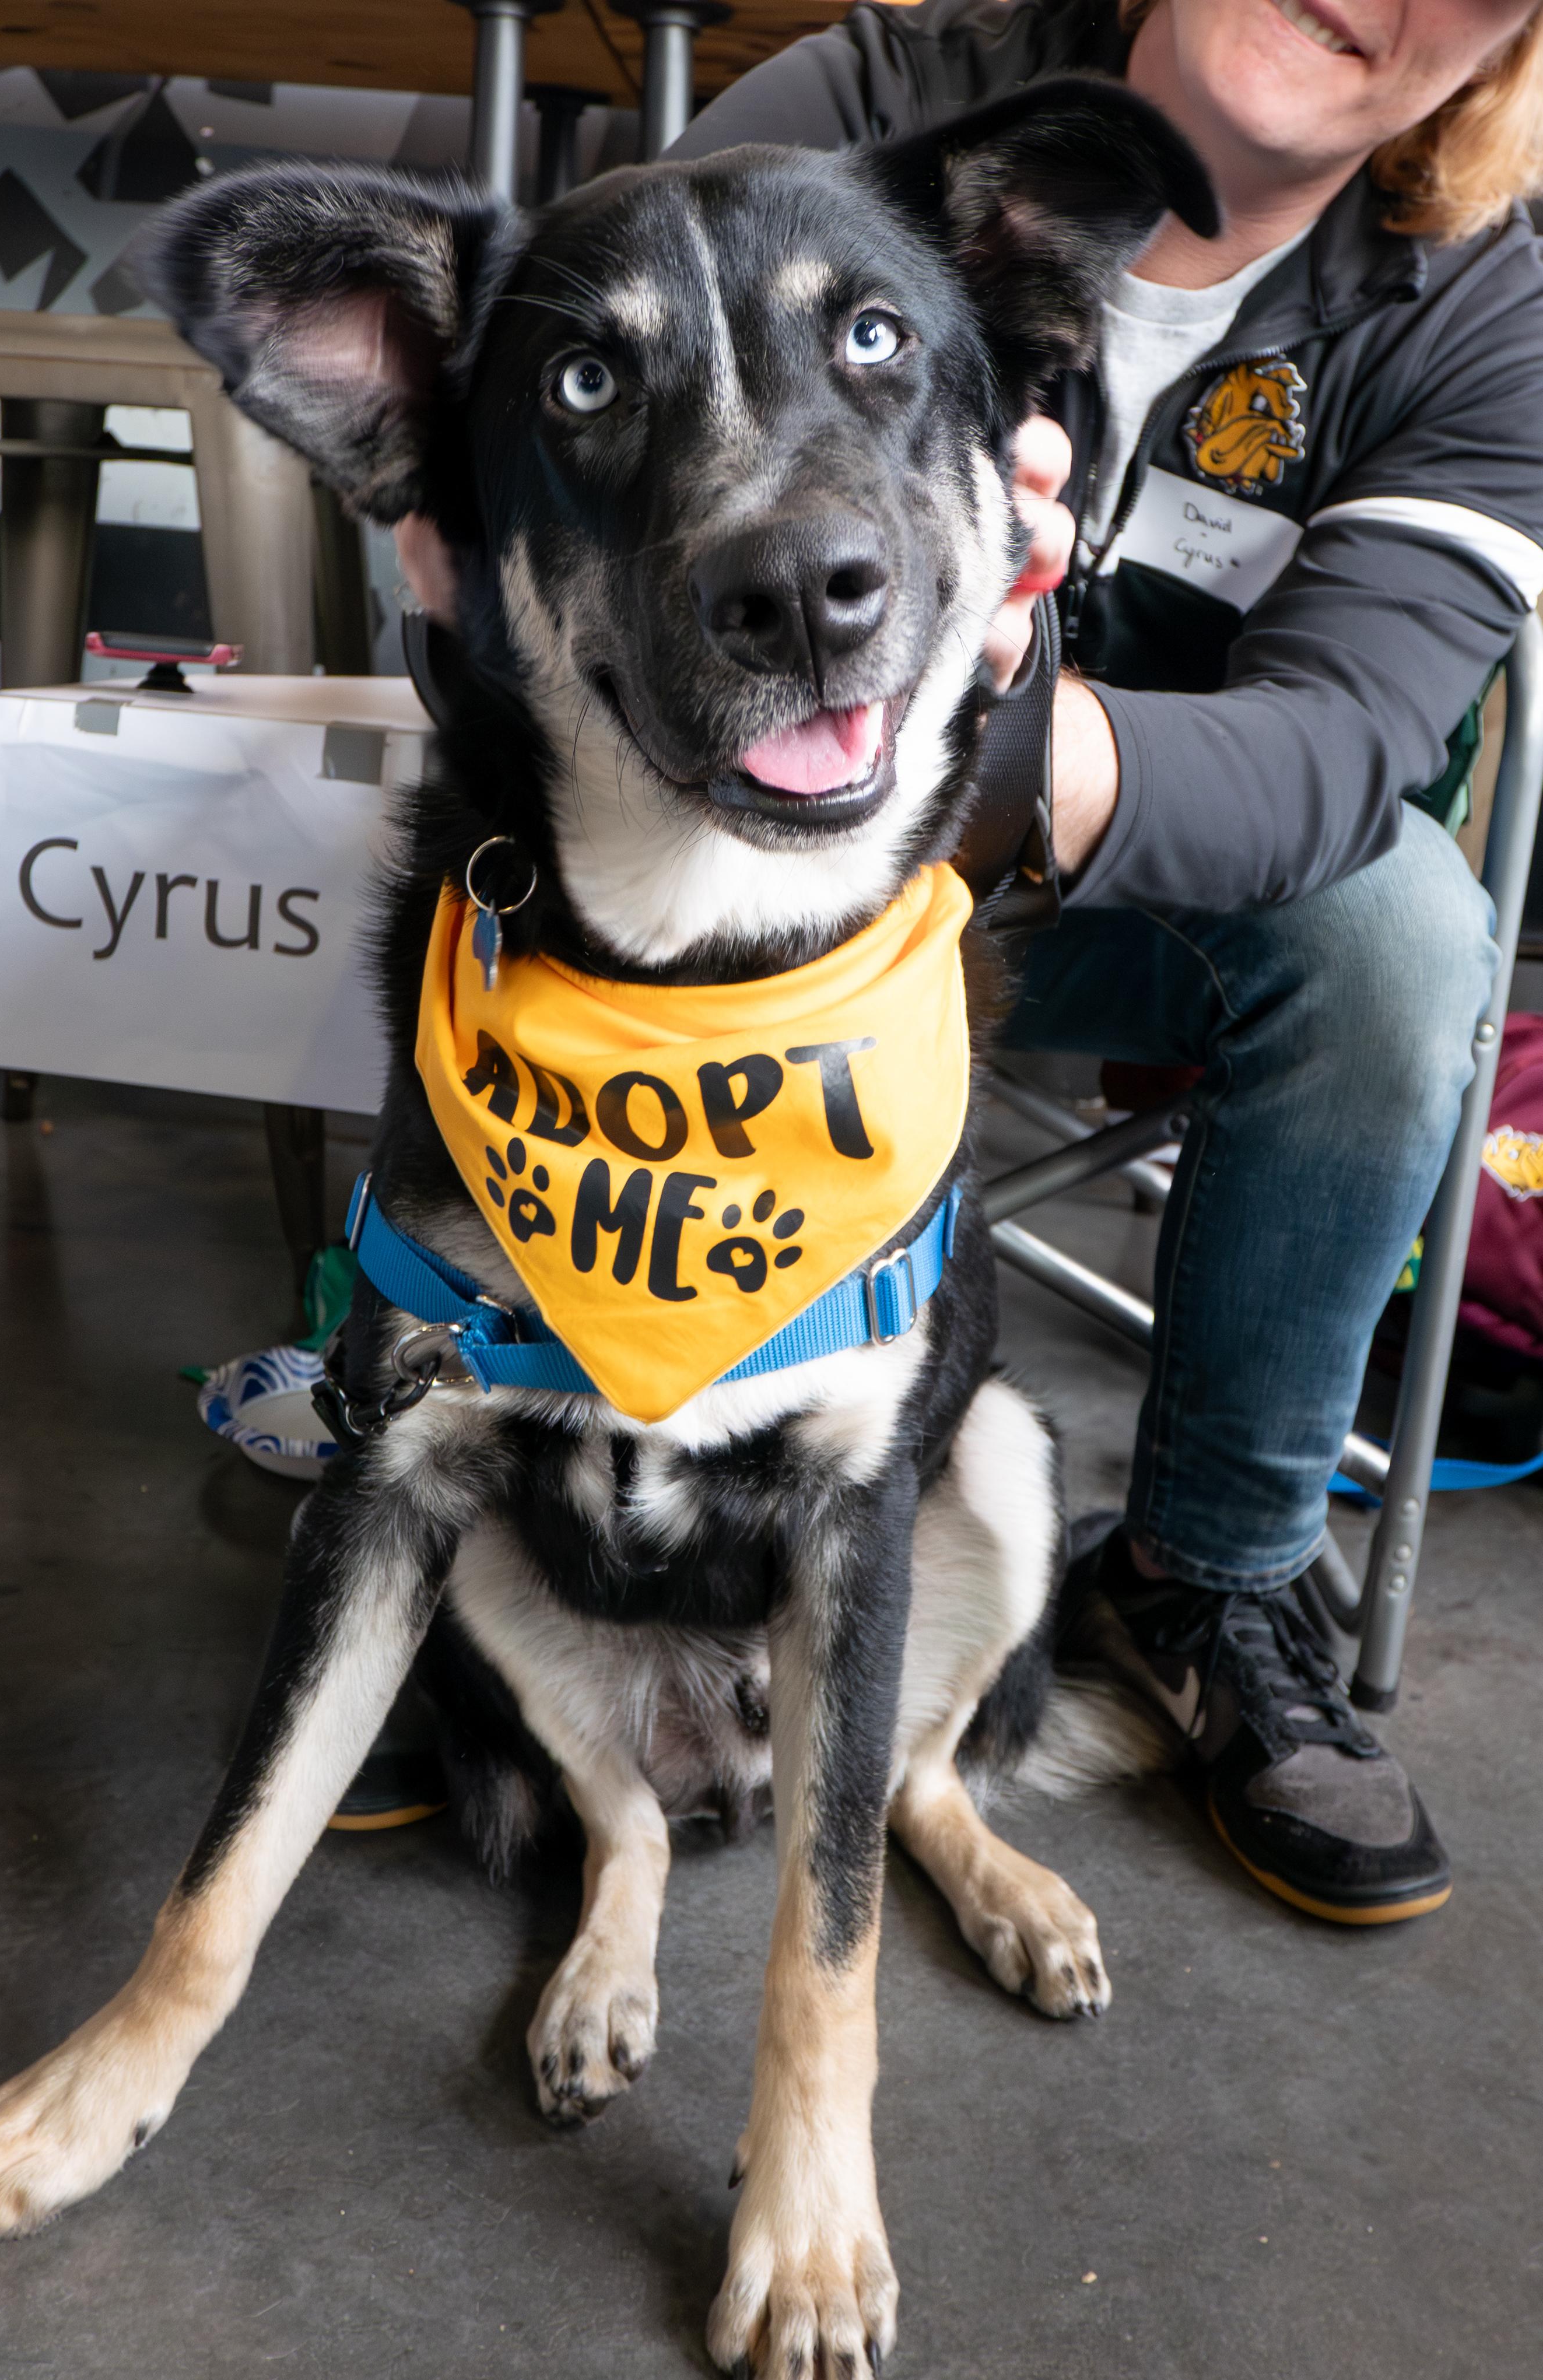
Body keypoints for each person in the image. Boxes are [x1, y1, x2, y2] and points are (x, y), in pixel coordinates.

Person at [395, 0, 1543, 1922]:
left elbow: (1344, 752)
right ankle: (453, 1457)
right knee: (502, 843)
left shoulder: (1488, 309)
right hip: (714, 853)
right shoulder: (872, 100)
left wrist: (967, 702)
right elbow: (565, 456)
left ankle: (1211, 1575)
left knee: (1409, 930)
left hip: (1095, 906)